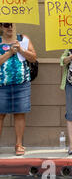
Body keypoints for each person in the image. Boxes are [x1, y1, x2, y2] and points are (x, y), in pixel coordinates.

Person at [0, 23, 37, 156]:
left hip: (21, 84)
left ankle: (19, 144)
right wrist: (10, 52)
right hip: (1, 84)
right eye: (6, 25)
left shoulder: (23, 39)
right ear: (1, 27)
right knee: (0, 115)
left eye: (12, 25)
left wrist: (21, 50)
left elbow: (33, 57)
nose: (9, 27)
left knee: (20, 113)